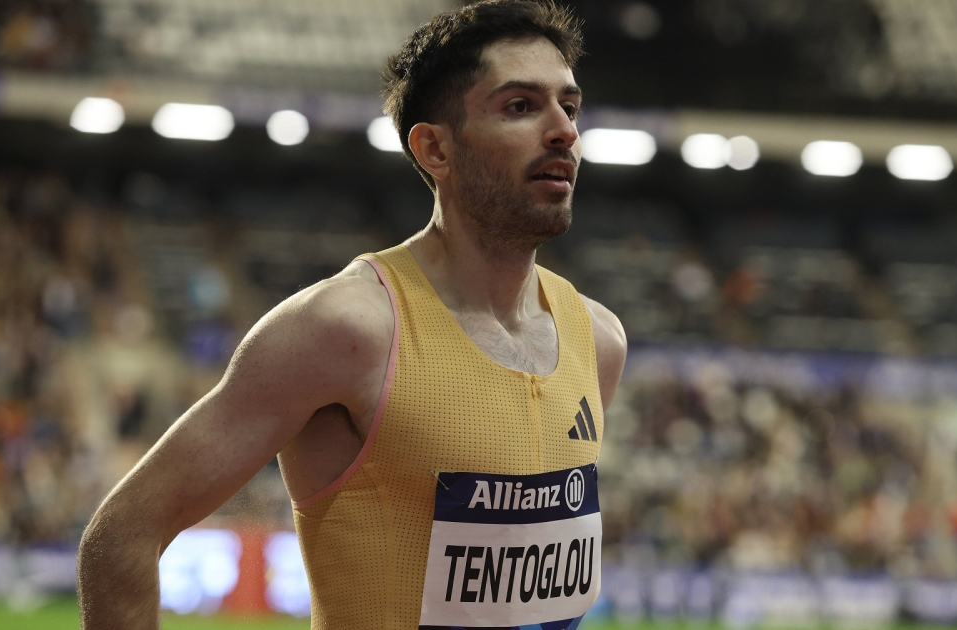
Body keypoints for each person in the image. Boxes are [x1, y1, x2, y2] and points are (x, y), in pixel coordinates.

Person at [77, 1, 626, 628]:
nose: (564, 131)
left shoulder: (597, 340)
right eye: (521, 106)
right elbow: (121, 536)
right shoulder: (349, 329)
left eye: (569, 107)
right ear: (435, 148)